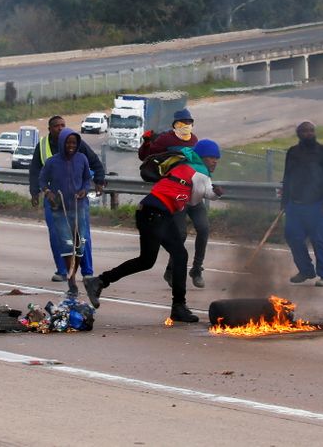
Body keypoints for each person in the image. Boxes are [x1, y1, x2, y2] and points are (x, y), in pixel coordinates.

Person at [84, 139, 224, 322]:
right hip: (156, 214)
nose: (215, 161)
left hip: (150, 211)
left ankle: (100, 281)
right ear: (202, 157)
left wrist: (213, 192)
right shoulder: (200, 172)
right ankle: (178, 307)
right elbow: (194, 200)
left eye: (217, 158)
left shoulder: (184, 165)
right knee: (169, 257)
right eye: (211, 157)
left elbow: (195, 191)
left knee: (154, 259)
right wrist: (215, 193)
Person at [139, 108, 209, 289]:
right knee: (181, 234)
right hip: (177, 194)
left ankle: (196, 269)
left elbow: (199, 163)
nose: (185, 125)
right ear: (174, 124)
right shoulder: (166, 139)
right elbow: (146, 157)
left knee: (203, 228)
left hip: (194, 191)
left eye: (189, 122)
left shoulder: (194, 140)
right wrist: (146, 142)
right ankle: (170, 270)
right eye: (182, 122)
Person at [29, 115, 105, 282]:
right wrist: (35, 192)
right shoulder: (42, 147)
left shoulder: (76, 143)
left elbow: (94, 163)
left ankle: (87, 272)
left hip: (78, 201)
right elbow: (35, 172)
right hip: (54, 201)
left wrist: (99, 180)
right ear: (49, 129)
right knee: (57, 235)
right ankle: (62, 271)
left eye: (63, 125)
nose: (61, 128)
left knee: (82, 236)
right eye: (57, 126)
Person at [281, 121, 323, 287]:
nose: (308, 133)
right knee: (293, 237)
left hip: (319, 205)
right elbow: (287, 178)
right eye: (304, 131)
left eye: (311, 130)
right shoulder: (292, 152)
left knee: (319, 239)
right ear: (298, 133)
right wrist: (284, 202)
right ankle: (306, 270)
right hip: (295, 204)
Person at [38, 128, 91, 298]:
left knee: (80, 245)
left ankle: (73, 273)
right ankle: (72, 281)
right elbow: (41, 179)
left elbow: (87, 179)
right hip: (59, 209)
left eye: (74, 143)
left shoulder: (82, 158)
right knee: (68, 247)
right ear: (62, 143)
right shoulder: (52, 162)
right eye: (68, 142)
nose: (71, 146)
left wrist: (84, 190)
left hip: (78, 207)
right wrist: (48, 192)